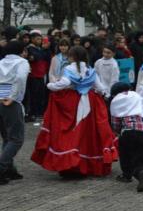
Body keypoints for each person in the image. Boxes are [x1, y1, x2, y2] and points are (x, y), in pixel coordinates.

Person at [32, 45, 118, 177]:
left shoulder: (69, 68)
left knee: (70, 133)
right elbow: (100, 87)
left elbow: (65, 83)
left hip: (71, 103)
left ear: (72, 57)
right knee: (86, 134)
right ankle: (86, 164)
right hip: (90, 103)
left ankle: (71, 165)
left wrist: (50, 85)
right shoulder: (90, 69)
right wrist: (105, 95)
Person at [108, 82, 143, 192]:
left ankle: (127, 175)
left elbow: (116, 124)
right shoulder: (138, 97)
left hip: (130, 133)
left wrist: (119, 133)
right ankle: (141, 170)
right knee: (141, 158)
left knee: (126, 155)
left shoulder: (116, 101)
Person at [0, 40, 30, 184]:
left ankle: (9, 170)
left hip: (0, 98)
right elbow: (19, 78)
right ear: (21, 51)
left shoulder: (1, 62)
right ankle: (2, 167)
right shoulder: (22, 63)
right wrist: (12, 97)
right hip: (11, 102)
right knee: (16, 139)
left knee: (7, 136)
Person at [25, 30, 50, 121]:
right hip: (33, 76)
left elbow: (45, 57)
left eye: (40, 39)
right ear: (32, 39)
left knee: (41, 95)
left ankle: (39, 113)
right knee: (33, 96)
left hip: (41, 75)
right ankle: (33, 113)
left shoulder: (40, 49)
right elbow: (35, 57)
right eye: (37, 39)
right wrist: (42, 50)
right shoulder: (30, 48)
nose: (40, 41)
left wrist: (44, 50)